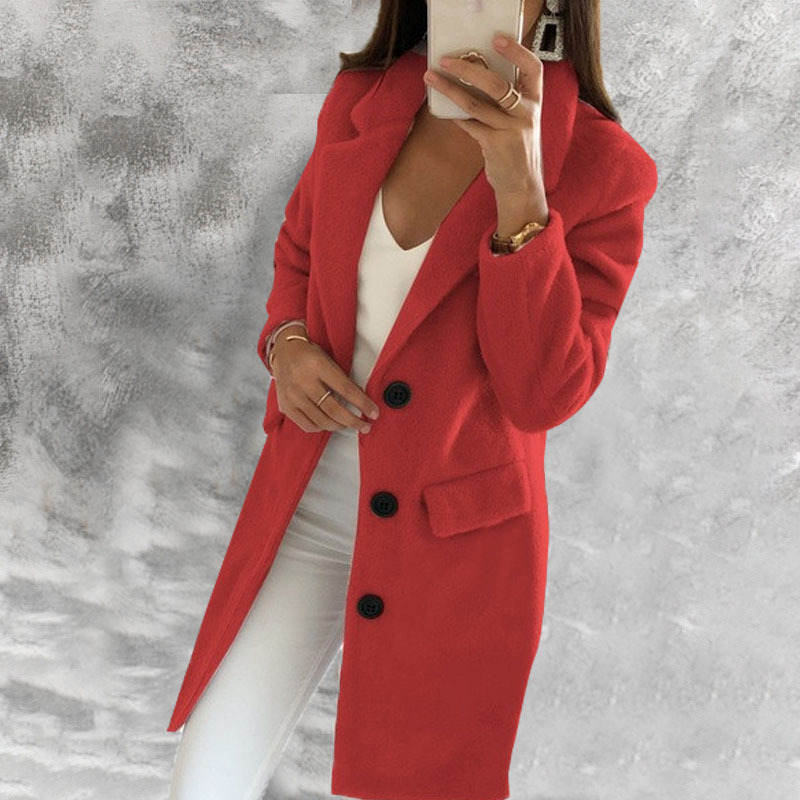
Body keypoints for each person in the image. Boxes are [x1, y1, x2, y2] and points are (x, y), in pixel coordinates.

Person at [167, 1, 658, 798]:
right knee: (204, 781)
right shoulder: (362, 99)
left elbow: (544, 394)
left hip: (454, 552)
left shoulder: (604, 165)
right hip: (306, 508)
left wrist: (520, 189)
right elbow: (298, 252)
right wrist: (287, 345)